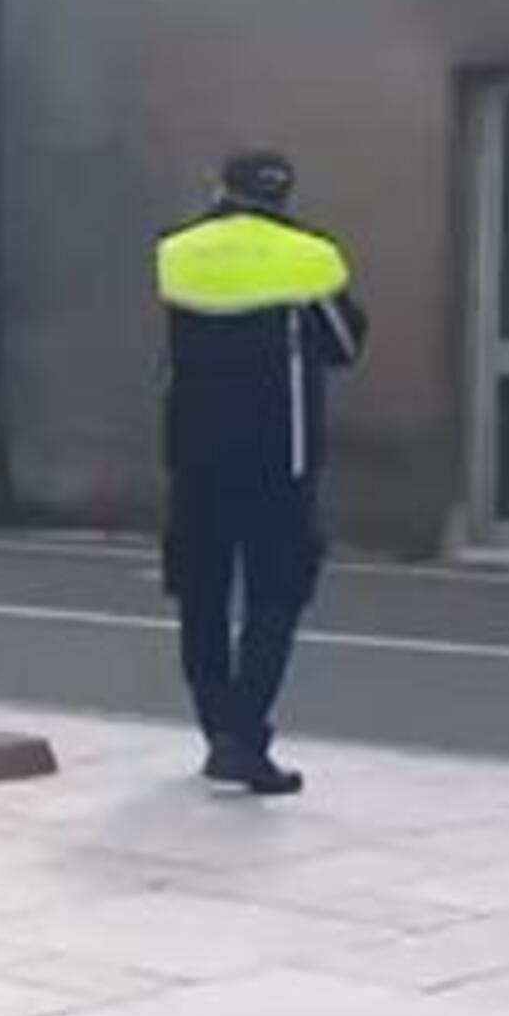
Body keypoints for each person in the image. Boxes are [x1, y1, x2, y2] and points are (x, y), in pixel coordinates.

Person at [157, 148, 365, 797]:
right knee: (276, 592)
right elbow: (345, 344)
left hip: (194, 452)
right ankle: (246, 737)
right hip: (282, 457)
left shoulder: (178, 250)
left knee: (202, 592)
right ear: (284, 194)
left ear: (219, 185)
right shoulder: (308, 254)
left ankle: (217, 728)